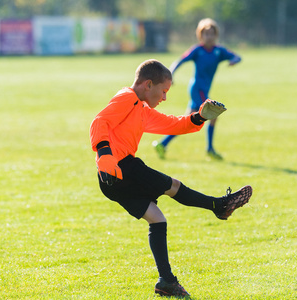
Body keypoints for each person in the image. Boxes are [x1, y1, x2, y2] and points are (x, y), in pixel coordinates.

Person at [89, 59, 253, 297]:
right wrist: (104, 154)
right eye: (163, 91)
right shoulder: (127, 98)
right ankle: (218, 205)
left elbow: (173, 124)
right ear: (148, 84)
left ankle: (166, 281)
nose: (164, 97)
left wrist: (199, 117)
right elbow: (99, 121)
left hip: (111, 181)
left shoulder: (142, 109)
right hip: (121, 167)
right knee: (173, 186)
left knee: (157, 219)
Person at [153, 18, 241, 160]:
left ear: (216, 35)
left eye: (212, 34)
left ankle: (162, 144)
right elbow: (178, 61)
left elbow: (237, 57)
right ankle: (210, 149)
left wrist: (234, 61)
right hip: (197, 89)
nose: (209, 37)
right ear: (200, 36)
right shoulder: (197, 50)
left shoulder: (219, 51)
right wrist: (171, 75)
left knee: (186, 122)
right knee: (213, 114)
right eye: (206, 34)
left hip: (203, 90)